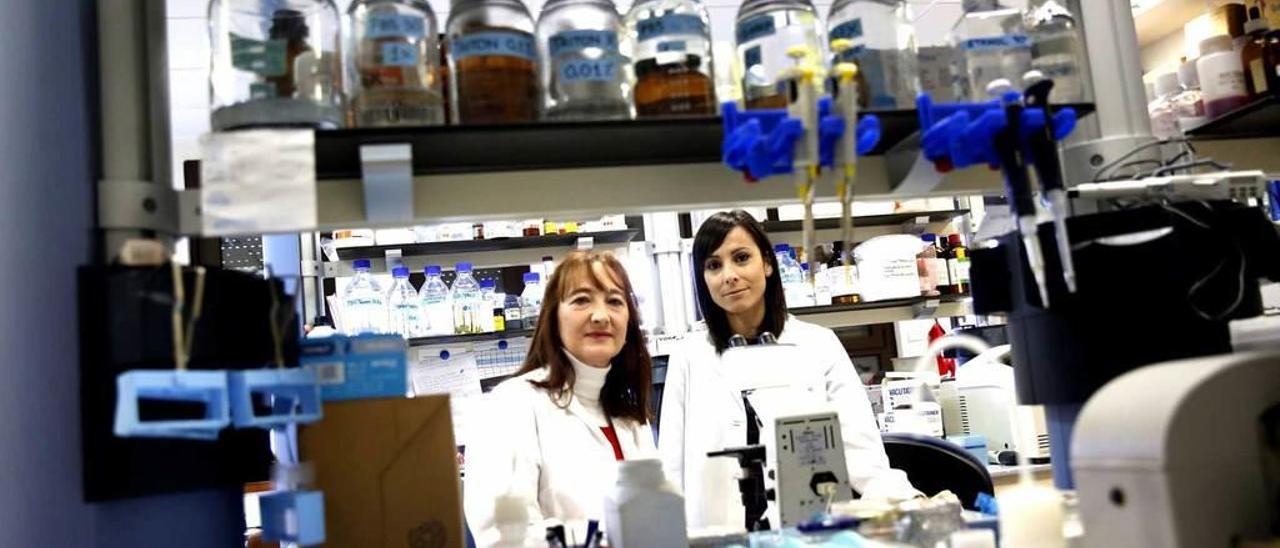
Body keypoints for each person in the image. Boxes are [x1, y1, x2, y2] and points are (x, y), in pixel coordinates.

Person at [658, 210, 919, 531]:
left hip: (806, 532)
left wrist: (915, 507)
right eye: (713, 265)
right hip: (716, 534)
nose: (728, 275)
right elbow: (671, 466)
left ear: (767, 263)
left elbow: (863, 456)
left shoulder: (818, 345)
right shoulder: (689, 355)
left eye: (741, 258)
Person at [465, 251, 656, 547]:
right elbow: (505, 537)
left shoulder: (629, 416)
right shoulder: (512, 405)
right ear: (553, 316)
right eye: (581, 299)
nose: (601, 315)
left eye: (615, 301)